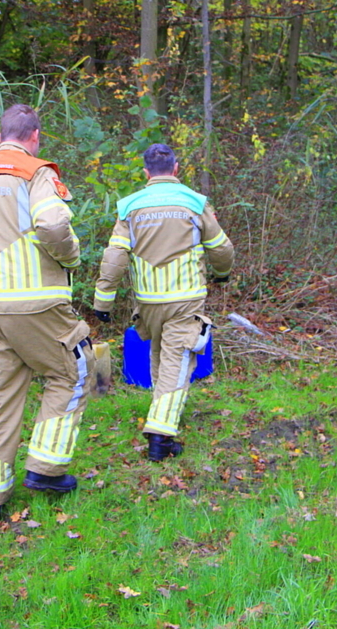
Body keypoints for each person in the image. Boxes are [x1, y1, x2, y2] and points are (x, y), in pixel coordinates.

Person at [0, 104, 95, 517]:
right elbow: (52, 226)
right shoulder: (36, 172)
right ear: (35, 136)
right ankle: (46, 467)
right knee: (75, 369)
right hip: (37, 301)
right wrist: (70, 259)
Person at [93, 143, 234, 461]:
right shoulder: (194, 203)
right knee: (177, 362)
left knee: (161, 358)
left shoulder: (130, 206)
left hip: (149, 302)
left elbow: (115, 257)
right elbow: (222, 249)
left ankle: (163, 422)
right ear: (176, 168)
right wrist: (222, 274)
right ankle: (160, 436)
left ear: (146, 173)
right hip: (185, 299)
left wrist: (103, 301)